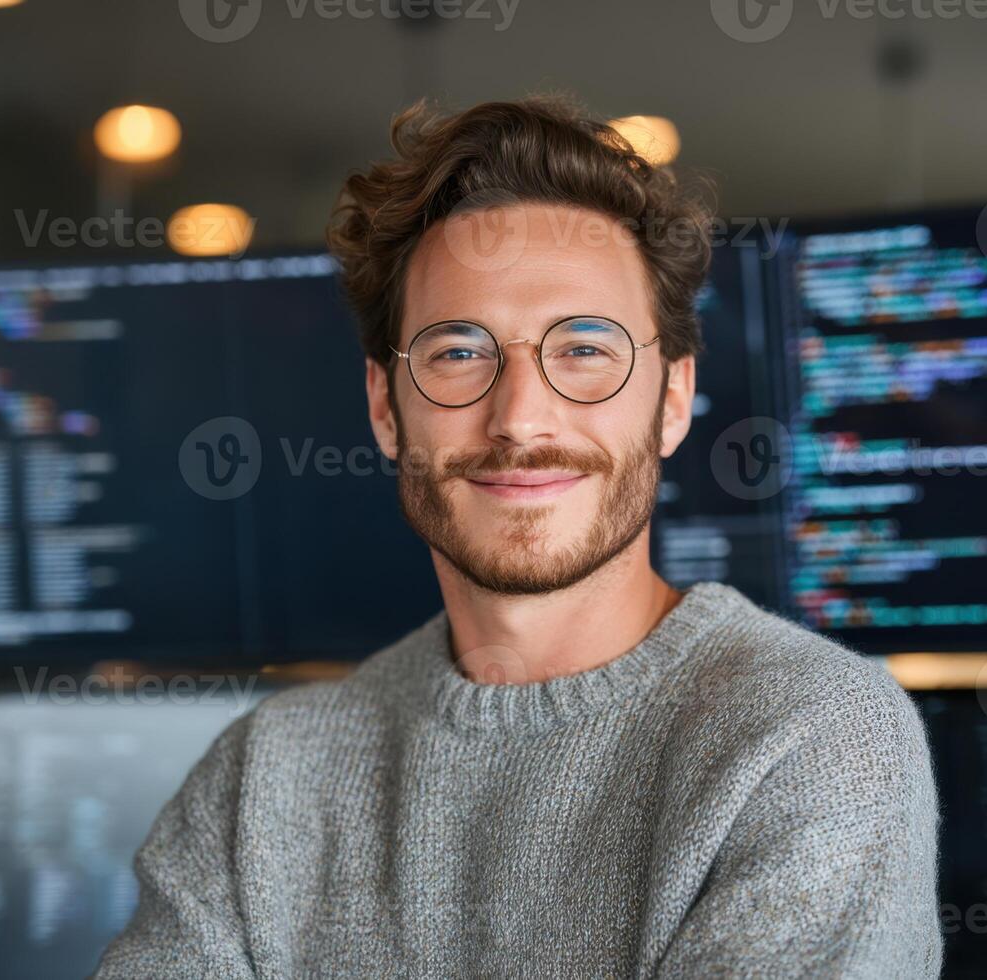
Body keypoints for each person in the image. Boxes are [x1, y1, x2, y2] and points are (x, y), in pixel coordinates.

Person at [94, 95, 940, 979]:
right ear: (387, 406)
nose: (520, 419)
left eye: (584, 348)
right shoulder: (259, 782)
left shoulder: (807, 736)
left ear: (674, 399)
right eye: (459, 351)